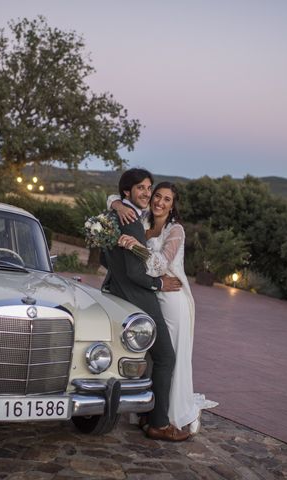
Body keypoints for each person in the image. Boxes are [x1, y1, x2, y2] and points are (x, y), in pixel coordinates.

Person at [101, 168, 190, 442]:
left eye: (149, 189)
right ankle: (159, 423)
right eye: (143, 189)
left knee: (153, 358)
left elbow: (109, 261)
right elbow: (136, 272)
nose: (149, 195)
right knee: (166, 357)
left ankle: (148, 414)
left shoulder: (121, 216)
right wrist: (159, 284)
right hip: (143, 297)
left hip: (135, 296)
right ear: (127, 192)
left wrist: (137, 247)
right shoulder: (132, 220)